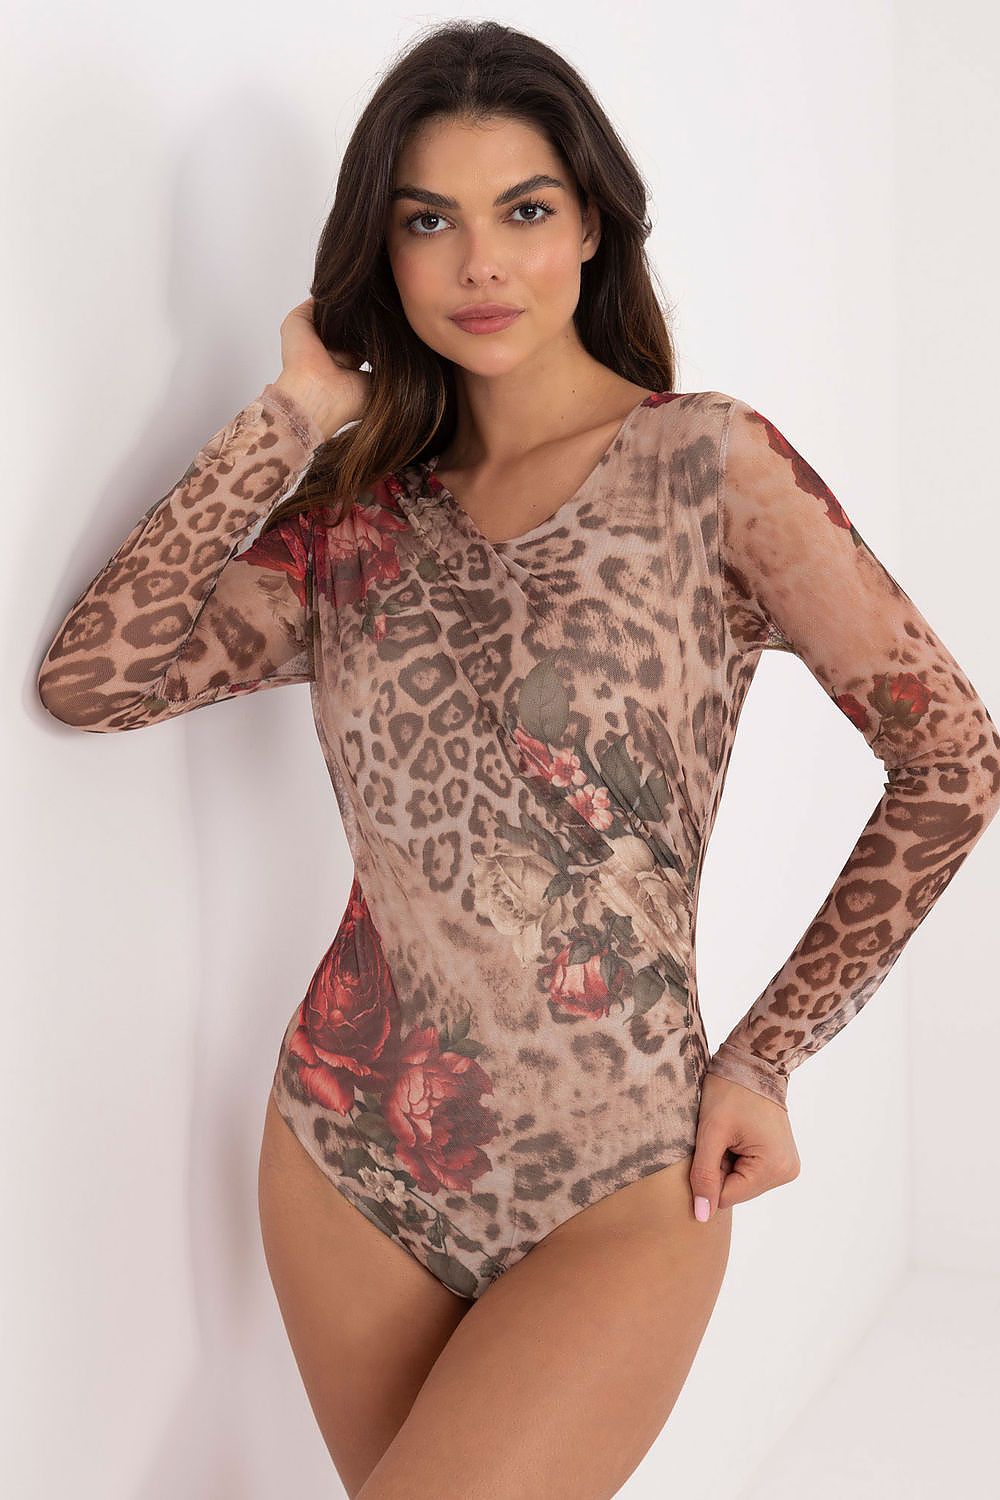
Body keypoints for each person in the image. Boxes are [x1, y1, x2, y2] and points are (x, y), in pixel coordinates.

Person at [35, 19, 1000, 1500]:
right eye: (430, 221)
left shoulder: (708, 466)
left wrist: (767, 1056)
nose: (481, 266)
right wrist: (290, 417)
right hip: (346, 1153)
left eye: (525, 210)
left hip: (623, 1173)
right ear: (382, 252)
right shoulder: (356, 527)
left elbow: (950, 755)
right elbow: (93, 681)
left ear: (592, 226)